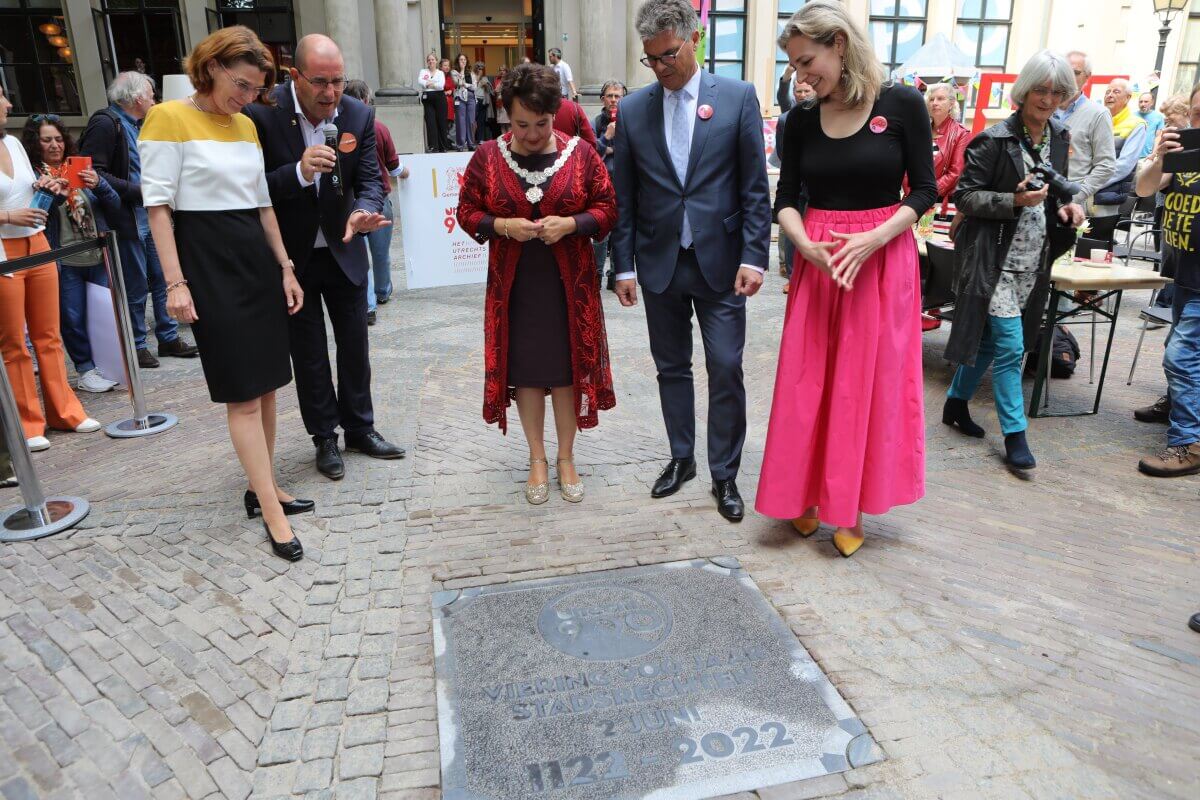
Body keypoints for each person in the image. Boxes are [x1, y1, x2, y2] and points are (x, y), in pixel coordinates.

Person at [756, 0, 935, 555]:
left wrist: (878, 236)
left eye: (807, 60)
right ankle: (806, 497)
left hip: (880, 263)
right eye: (793, 66)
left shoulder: (902, 104)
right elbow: (785, 200)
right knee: (809, 384)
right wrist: (802, 242)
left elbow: (925, 191)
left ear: (838, 43)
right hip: (819, 265)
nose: (800, 75)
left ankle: (850, 504)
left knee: (867, 385)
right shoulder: (800, 120)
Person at [140, 26, 309, 561]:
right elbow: (158, 209)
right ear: (210, 66)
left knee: (268, 385)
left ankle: (265, 488)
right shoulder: (166, 117)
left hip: (255, 259)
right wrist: (175, 282)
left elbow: (263, 205)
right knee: (241, 390)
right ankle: (270, 508)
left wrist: (285, 267)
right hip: (207, 259)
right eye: (242, 84)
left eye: (257, 89)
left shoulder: (244, 125)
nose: (248, 96)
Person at [612, 0, 771, 523]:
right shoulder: (634, 110)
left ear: (693, 40)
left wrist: (755, 256)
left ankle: (724, 473)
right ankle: (682, 459)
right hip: (660, 263)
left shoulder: (739, 98)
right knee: (671, 367)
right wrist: (624, 266)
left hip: (723, 264)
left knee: (725, 366)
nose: (660, 68)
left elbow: (753, 189)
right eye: (651, 59)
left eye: (668, 56)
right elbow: (625, 196)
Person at [244, 34, 405, 482]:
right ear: (295, 77)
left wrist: (361, 212)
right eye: (320, 82)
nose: (331, 93)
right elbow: (252, 188)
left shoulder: (358, 114)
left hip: (344, 247)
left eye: (338, 81)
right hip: (292, 257)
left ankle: (359, 428)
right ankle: (324, 438)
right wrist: (298, 171)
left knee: (355, 344)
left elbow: (371, 179)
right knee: (309, 352)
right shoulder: (262, 113)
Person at [456, 64, 617, 504]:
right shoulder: (488, 156)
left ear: (556, 114)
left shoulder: (581, 154)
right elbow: (467, 212)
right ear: (506, 114)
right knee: (527, 374)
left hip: (570, 288)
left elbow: (607, 208)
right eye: (520, 123)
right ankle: (536, 458)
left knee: (566, 373)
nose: (529, 134)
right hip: (517, 290)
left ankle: (566, 457)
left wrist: (572, 223)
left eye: (540, 124)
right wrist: (502, 224)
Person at [941, 50, 1085, 472]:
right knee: (1010, 347)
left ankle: (954, 403)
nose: (1048, 98)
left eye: (1058, 91)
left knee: (989, 342)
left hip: (1034, 255)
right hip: (993, 258)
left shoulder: (1059, 137)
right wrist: (1014, 199)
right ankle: (1015, 436)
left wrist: (1068, 207)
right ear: (1024, 91)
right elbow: (965, 196)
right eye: (1041, 89)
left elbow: (1057, 191)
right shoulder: (993, 139)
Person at [0, 88, 102, 451]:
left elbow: (29, 189)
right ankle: (29, 422)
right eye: (1, 97)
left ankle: (65, 410)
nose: (9, 104)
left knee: (48, 333)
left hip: (38, 240)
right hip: (4, 249)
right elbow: (12, 206)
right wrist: (9, 216)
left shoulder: (12, 143)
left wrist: (48, 185)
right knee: (14, 342)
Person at [79, 71, 198, 369]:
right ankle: (137, 344)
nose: (155, 100)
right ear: (136, 98)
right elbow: (93, 173)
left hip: (148, 215)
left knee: (161, 279)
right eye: (151, 94)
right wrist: (138, 192)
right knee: (134, 285)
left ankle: (168, 337)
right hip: (127, 216)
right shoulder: (106, 123)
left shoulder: (138, 125)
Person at [21, 115, 121, 394]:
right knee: (72, 317)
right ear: (35, 143)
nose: (55, 145)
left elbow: (114, 205)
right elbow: (37, 217)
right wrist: (52, 192)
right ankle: (85, 369)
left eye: (58, 138)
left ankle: (107, 365)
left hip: (96, 255)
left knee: (101, 313)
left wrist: (98, 183)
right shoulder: (33, 177)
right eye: (46, 140)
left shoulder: (77, 168)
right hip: (64, 258)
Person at [1133, 82, 1200, 478]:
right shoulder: (1185, 153)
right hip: (1181, 273)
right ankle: (1178, 406)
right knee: (1184, 351)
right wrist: (1159, 156)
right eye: (1195, 111)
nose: (1197, 119)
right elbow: (1143, 189)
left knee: (1180, 355)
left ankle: (1187, 443)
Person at [343, 80, 408, 326]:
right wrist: (405, 172)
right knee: (380, 253)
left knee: (360, 255)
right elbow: (394, 165)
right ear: (367, 101)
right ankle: (381, 292)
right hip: (379, 198)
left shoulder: (341, 130)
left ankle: (368, 304)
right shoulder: (379, 128)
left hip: (351, 201)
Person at [768, 77, 812, 295]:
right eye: (799, 91)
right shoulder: (787, 119)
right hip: (797, 185)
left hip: (818, 188)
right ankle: (793, 276)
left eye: (806, 91)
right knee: (791, 231)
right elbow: (785, 155)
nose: (802, 95)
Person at [1053, 51, 1116, 208]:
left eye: (1075, 73)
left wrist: (1076, 196)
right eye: (1064, 72)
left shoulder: (1098, 114)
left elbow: (1106, 165)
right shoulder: (1044, 107)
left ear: (1087, 77)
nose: (1068, 77)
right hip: (1037, 202)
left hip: (1072, 205)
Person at [1091, 78, 1147, 225]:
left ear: (1128, 98)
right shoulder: (1097, 120)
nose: (1110, 95)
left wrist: (1092, 183)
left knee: (1097, 242)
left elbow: (1124, 165)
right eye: (1107, 92)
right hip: (1084, 189)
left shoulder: (1136, 124)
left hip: (1107, 194)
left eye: (1116, 92)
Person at [593, 80, 626, 290]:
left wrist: (614, 150)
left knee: (620, 232)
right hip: (602, 186)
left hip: (623, 184)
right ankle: (595, 276)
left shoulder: (631, 120)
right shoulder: (596, 122)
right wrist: (606, 138)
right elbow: (590, 153)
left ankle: (616, 276)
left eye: (617, 96)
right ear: (603, 99)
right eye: (610, 96)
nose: (613, 100)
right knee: (600, 233)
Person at [924, 82, 970, 214]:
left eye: (940, 98)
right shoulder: (919, 131)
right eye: (931, 99)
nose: (934, 102)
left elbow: (956, 172)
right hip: (915, 201)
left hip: (941, 203)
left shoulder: (961, 133)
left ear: (951, 103)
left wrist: (927, 193)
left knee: (932, 235)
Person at [418, 53, 448, 153]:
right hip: (427, 99)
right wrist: (433, 83)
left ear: (436, 61)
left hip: (440, 98)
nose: (431, 61)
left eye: (433, 59)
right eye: (429, 60)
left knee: (441, 121)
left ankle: (443, 146)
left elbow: (441, 86)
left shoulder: (440, 73)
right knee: (430, 122)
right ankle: (433, 146)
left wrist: (429, 84)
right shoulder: (423, 71)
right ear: (427, 62)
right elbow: (420, 81)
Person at [452, 53, 477, 151]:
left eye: (464, 60)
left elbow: (474, 87)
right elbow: (457, 82)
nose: (463, 61)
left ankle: (471, 143)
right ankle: (460, 145)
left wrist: (465, 84)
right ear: (458, 61)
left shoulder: (471, 73)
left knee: (471, 121)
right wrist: (462, 71)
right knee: (460, 121)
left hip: (471, 97)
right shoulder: (454, 72)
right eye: (461, 60)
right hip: (460, 97)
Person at [1137, 91, 1166, 157]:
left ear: (1152, 103)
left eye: (1146, 102)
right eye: (1141, 102)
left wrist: (1154, 153)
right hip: (1132, 155)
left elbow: (1158, 136)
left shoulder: (1158, 117)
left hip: (1147, 156)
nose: (1143, 104)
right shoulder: (1132, 116)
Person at [475, 62, 496, 142]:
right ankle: (472, 139)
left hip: (483, 102)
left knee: (481, 121)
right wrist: (478, 79)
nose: (480, 70)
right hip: (475, 100)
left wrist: (486, 85)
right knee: (473, 121)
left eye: (482, 69)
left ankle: (480, 139)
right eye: (479, 68)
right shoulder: (473, 77)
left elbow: (491, 91)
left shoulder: (485, 78)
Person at [494, 66, 511, 133]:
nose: (502, 72)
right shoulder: (497, 80)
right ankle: (503, 140)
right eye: (500, 70)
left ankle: (509, 140)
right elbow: (496, 90)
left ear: (506, 71)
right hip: (499, 103)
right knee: (502, 124)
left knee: (508, 123)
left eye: (503, 70)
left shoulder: (509, 80)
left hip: (507, 102)